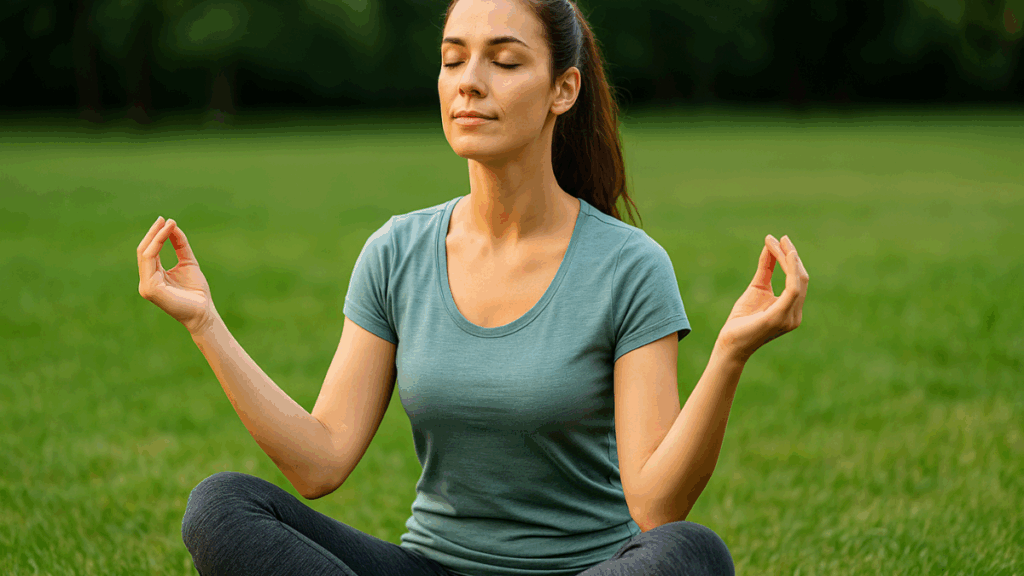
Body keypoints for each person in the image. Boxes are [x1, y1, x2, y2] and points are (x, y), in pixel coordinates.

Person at [136, 0, 810, 574]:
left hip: (587, 569)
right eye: (453, 59)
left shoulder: (629, 267)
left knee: (688, 551)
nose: (469, 83)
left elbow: (657, 508)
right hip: (433, 565)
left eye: (505, 62)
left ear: (563, 89)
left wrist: (729, 355)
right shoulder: (396, 252)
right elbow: (321, 462)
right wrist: (205, 323)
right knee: (222, 506)